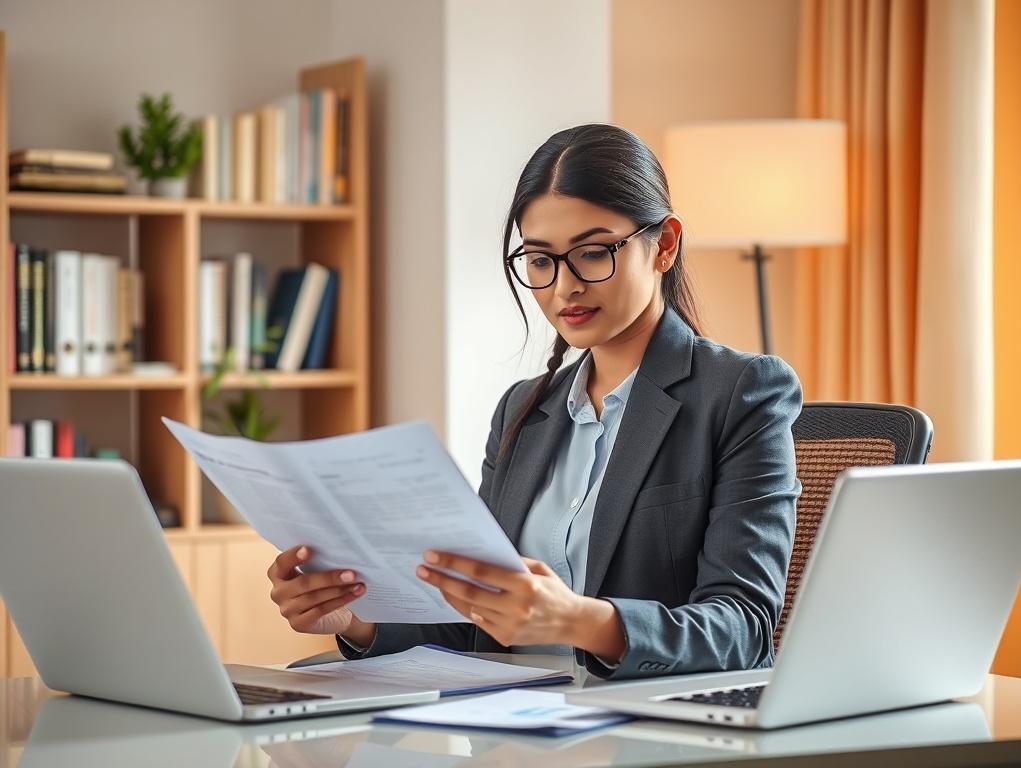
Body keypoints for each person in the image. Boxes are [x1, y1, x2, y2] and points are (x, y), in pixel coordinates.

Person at [267, 123, 802, 679]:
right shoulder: (522, 411)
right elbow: (472, 625)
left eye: (592, 253)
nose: (565, 286)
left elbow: (744, 630)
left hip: (640, 717)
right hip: (507, 715)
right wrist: (356, 620)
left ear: (664, 244)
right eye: (541, 260)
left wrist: (580, 621)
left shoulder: (742, 392)